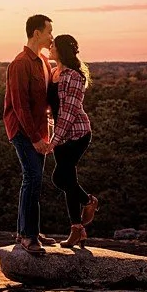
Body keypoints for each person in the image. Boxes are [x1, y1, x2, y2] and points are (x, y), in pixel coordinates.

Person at [2, 14, 57, 253]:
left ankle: (29, 230)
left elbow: (46, 99)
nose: (51, 36)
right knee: (32, 178)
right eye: (49, 32)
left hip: (39, 130)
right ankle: (27, 236)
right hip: (23, 131)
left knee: (34, 181)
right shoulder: (20, 63)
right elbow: (19, 105)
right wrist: (34, 138)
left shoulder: (44, 62)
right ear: (37, 33)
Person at [47, 34, 98, 247]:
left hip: (76, 134)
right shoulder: (53, 72)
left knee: (61, 178)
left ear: (61, 50)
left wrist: (54, 140)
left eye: (53, 45)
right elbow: (51, 107)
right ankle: (81, 220)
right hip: (60, 133)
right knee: (67, 181)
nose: (50, 47)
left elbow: (69, 111)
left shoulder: (74, 76)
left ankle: (84, 210)